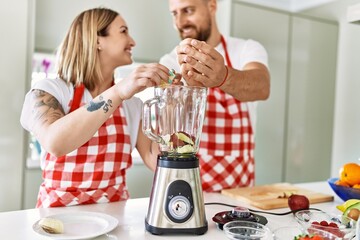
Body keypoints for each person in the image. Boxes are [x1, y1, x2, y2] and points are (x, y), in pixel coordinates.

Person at [20, 7, 173, 207]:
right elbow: (55, 142)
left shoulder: (133, 105)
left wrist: (174, 102)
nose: (133, 41)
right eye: (123, 31)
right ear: (97, 40)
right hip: (58, 220)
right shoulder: (50, 91)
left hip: (116, 219)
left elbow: (158, 163)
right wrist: (118, 92)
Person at [160, 0, 270, 192]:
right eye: (174, 14)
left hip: (240, 191)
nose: (181, 21)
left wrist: (223, 77)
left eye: (188, 10)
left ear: (212, 5)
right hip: (189, 187)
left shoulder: (246, 49)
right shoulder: (170, 62)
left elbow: (262, 86)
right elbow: (169, 132)